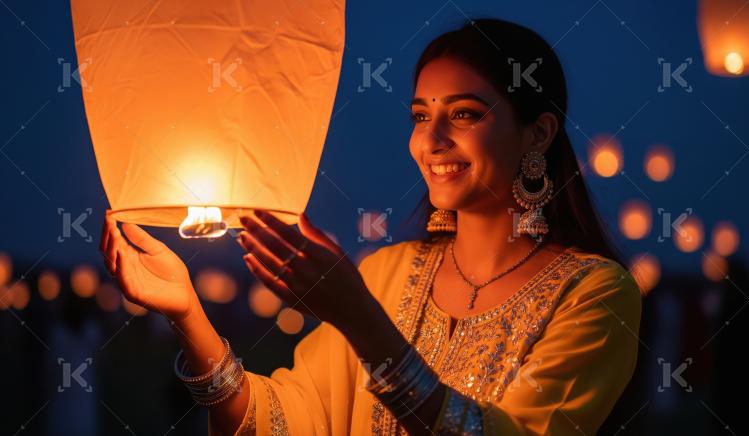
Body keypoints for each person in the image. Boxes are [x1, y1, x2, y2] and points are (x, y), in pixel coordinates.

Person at [99, 18, 641, 435]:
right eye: (420, 115)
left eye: (466, 114)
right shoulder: (388, 272)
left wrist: (360, 319)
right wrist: (188, 314)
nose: (432, 140)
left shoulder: (593, 294)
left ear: (537, 134)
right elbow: (283, 422)